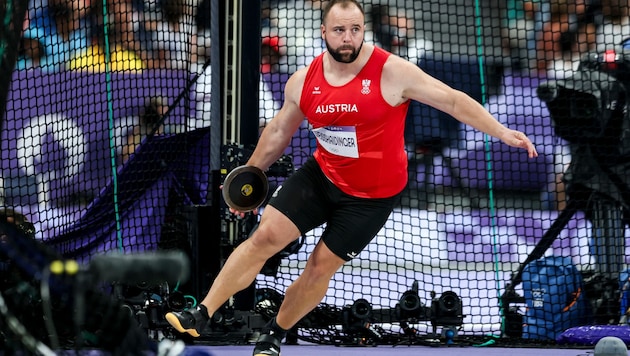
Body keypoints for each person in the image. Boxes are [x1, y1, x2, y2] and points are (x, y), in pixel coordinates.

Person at [164, 1, 538, 355]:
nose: (348, 38)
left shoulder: (393, 72)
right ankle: (202, 314)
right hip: (321, 176)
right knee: (263, 237)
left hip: (371, 198)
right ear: (324, 31)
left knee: (319, 267)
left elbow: (453, 100)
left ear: (364, 31)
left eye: (355, 29)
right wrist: (251, 176)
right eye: (340, 30)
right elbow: (279, 130)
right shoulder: (303, 80)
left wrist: (502, 131)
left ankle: (275, 334)